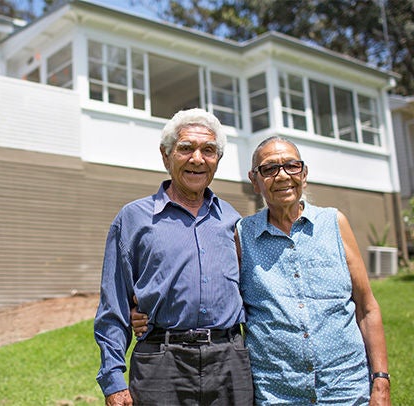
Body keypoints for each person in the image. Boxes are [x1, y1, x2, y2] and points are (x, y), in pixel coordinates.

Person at [132, 136, 391, 405]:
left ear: (304, 174)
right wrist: (144, 305)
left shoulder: (335, 223)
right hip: (277, 393)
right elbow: (210, 285)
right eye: (269, 169)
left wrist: (381, 381)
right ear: (254, 181)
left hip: (345, 387)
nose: (282, 176)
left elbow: (367, 307)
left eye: (291, 166)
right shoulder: (243, 234)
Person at [94, 108, 254, 406]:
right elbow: (113, 305)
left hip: (230, 362)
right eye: (185, 148)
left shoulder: (233, 220)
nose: (197, 158)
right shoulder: (133, 219)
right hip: (161, 363)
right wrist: (113, 379)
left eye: (208, 150)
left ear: (217, 160)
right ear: (166, 156)